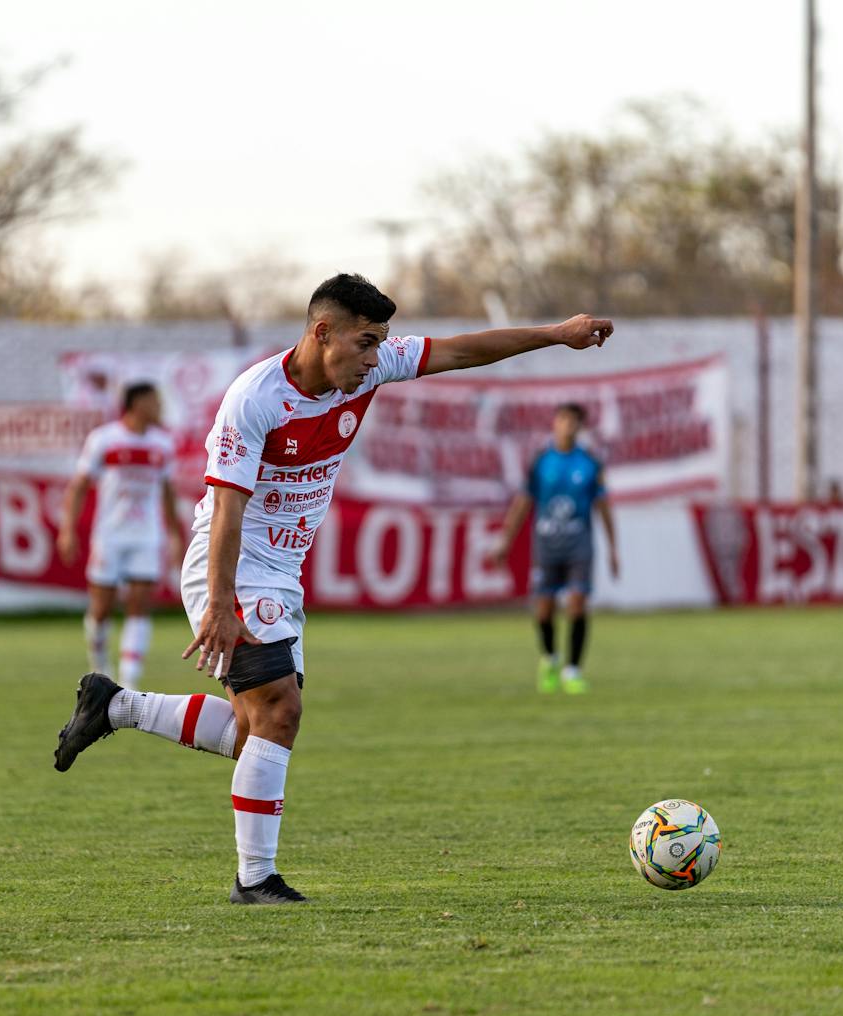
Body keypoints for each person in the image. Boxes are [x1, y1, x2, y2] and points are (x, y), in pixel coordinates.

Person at [51, 273, 614, 905]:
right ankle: (254, 879)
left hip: (280, 573)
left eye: (380, 345)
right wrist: (220, 603)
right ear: (323, 334)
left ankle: (117, 706)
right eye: (366, 343)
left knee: (254, 732)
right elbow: (227, 510)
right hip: (233, 565)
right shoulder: (254, 400)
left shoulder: (370, 367)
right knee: (281, 712)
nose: (376, 359)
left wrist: (557, 334)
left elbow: (464, 349)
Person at [489, 403, 619, 694]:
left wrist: (613, 548)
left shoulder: (590, 463)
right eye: (563, 420)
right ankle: (550, 658)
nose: (567, 426)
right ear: (555, 423)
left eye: (573, 421)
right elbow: (523, 503)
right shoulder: (541, 461)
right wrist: (506, 541)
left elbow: (603, 506)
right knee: (544, 611)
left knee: (577, 603)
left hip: (579, 544)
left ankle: (573, 670)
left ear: (580, 427)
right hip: (547, 546)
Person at [58, 382, 182, 686]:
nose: (159, 407)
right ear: (137, 403)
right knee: (101, 608)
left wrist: (175, 534)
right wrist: (68, 529)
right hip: (110, 535)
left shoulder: (162, 444)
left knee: (139, 604)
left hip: (146, 535)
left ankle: (129, 680)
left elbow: (167, 492)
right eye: (154, 401)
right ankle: (100, 665)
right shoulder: (104, 439)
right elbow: (79, 486)